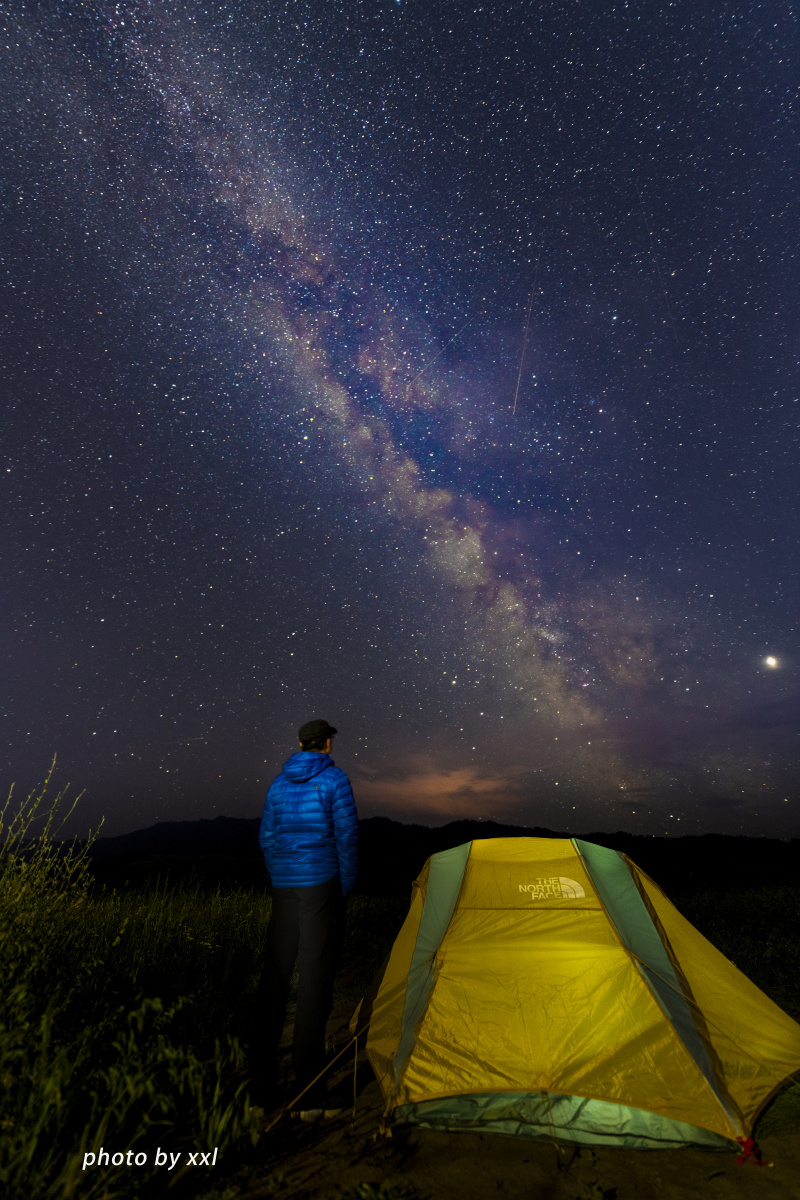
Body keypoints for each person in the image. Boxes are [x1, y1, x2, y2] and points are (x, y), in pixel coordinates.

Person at [254, 718, 358, 1119]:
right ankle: (310, 1094)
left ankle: (261, 1090)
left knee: (275, 978)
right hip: (320, 885)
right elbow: (346, 837)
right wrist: (343, 886)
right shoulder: (335, 780)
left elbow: (266, 837)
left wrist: (280, 873)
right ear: (326, 744)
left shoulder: (278, 785)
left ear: (301, 745)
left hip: (285, 887)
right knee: (314, 979)